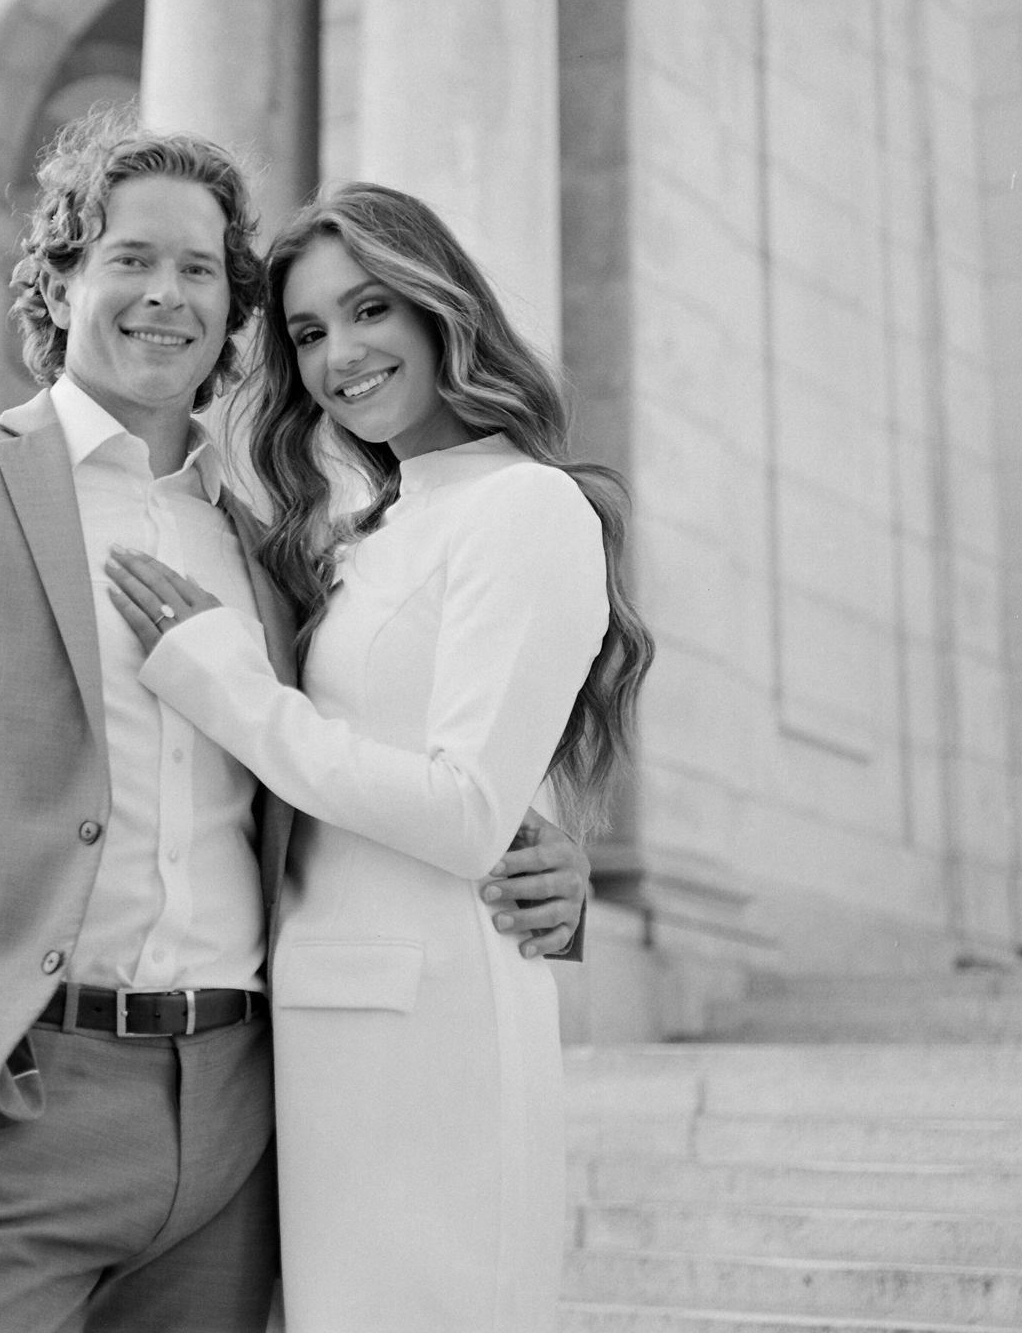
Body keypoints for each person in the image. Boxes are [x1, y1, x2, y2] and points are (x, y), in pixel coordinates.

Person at [0, 123, 592, 1333]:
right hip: (2, 1096)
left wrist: (534, 848)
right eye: (130, 258)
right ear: (56, 283)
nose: (165, 293)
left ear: (232, 312)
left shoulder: (277, 546)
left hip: (239, 1118)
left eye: (199, 268)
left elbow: (361, 744)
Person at [105, 182, 654, 1333]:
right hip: (310, 1037)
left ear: (437, 305)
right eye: (308, 331)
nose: (339, 355)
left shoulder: (526, 505)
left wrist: (227, 685)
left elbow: (463, 810)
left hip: (431, 1037)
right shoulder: (359, 535)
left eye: (368, 309)